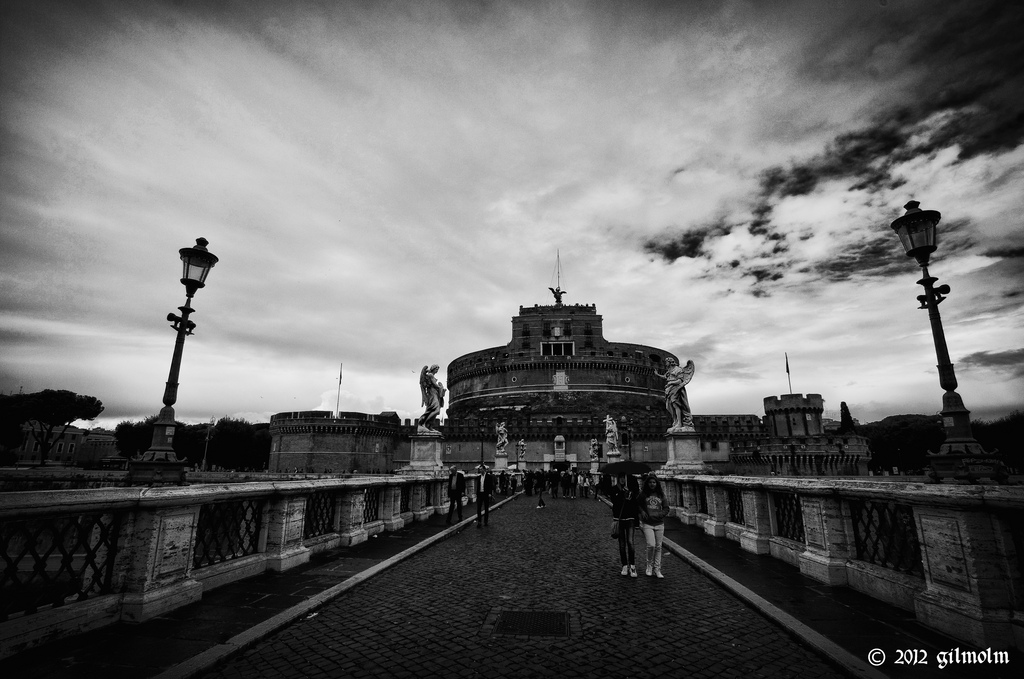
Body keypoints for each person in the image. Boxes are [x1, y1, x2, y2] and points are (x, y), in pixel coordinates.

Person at [637, 475, 671, 578]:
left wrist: (659, 515)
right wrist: (642, 512)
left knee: (658, 547)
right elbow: (637, 504)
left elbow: (666, 508)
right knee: (651, 545)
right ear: (647, 483)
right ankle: (649, 566)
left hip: (659, 523)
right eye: (650, 482)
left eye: (654, 482)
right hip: (647, 523)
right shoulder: (643, 494)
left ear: (657, 484)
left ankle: (657, 569)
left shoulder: (661, 495)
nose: (652, 484)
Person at [609, 474, 639, 577]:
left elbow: (635, 504)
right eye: (621, 477)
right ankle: (624, 565)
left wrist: (630, 493)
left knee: (630, 543)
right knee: (622, 544)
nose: (622, 479)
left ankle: (633, 566)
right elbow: (615, 503)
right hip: (619, 519)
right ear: (618, 478)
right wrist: (622, 494)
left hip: (630, 518)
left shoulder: (631, 488)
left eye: (624, 478)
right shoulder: (614, 489)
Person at [655, 357, 695, 430]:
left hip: (676, 389)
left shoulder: (678, 369)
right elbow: (665, 377)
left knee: (676, 405)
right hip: (669, 389)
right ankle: (675, 421)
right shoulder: (669, 371)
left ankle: (679, 423)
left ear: (670, 362)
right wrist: (657, 374)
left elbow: (680, 381)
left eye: (666, 362)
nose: (665, 363)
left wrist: (671, 382)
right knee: (668, 406)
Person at [416, 364, 446, 432]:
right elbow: (434, 384)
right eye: (436, 369)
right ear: (433, 368)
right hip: (432, 394)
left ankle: (429, 426)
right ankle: (424, 424)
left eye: (437, 369)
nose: (437, 371)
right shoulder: (430, 375)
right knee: (436, 410)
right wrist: (440, 387)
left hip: (435, 393)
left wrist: (442, 390)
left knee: (435, 410)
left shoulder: (431, 375)